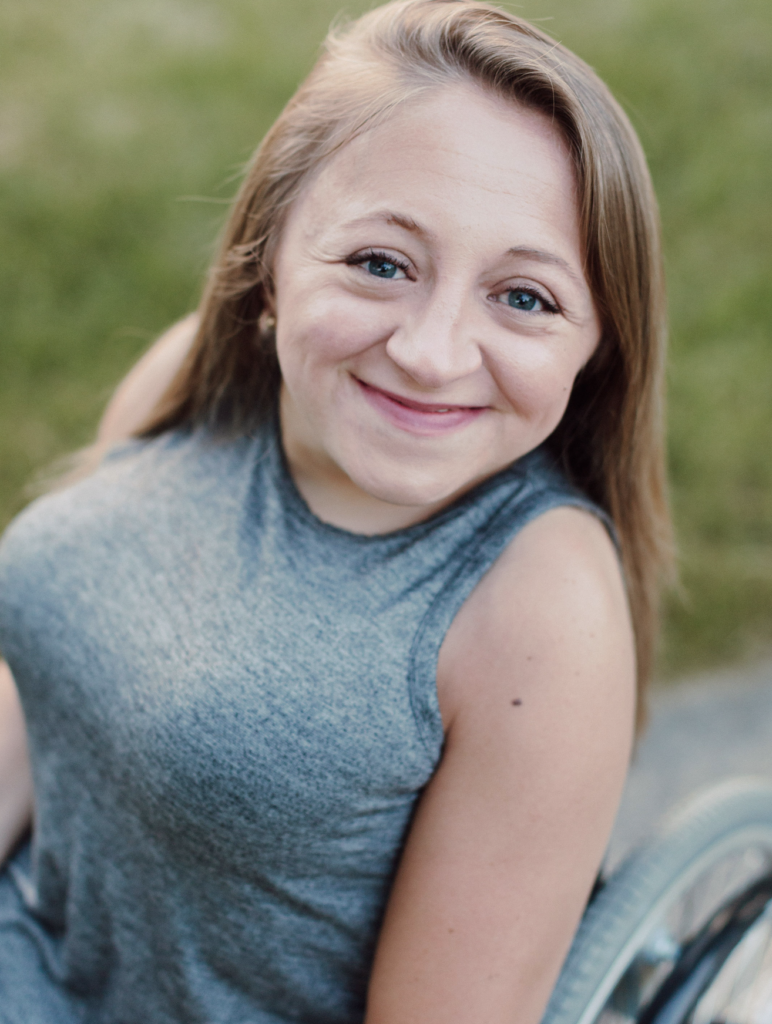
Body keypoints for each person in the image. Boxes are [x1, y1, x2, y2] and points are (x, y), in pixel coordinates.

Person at [0, 1, 672, 1021]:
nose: (431, 351)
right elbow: (43, 687)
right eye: (380, 263)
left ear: (594, 350)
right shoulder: (196, 380)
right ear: (268, 260)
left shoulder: (538, 612)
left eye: (523, 297)